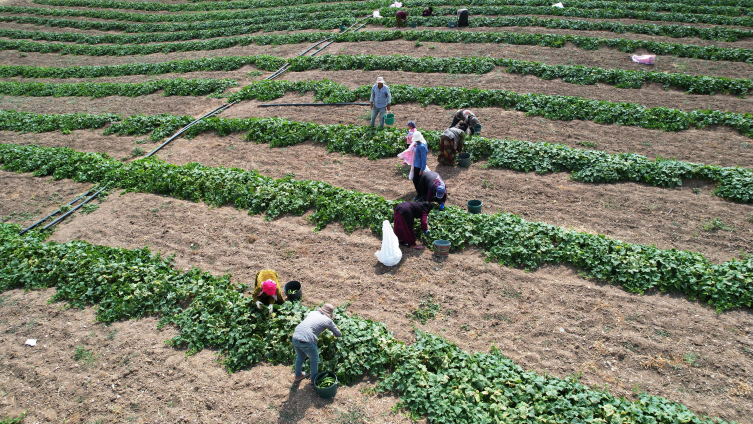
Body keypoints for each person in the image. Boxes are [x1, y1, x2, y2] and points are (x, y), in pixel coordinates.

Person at [292, 303, 342, 384]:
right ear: (330, 314)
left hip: (295, 336)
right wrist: (333, 334)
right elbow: (339, 334)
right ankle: (313, 379)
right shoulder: (328, 320)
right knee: (314, 359)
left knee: (300, 356)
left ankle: (298, 375)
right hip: (307, 341)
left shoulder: (312, 312)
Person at [411, 129, 428, 195]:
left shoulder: (421, 146)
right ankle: (422, 193)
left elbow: (424, 158)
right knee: (419, 180)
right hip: (417, 164)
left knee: (416, 180)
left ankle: (420, 194)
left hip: (418, 165)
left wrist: (422, 169)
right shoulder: (423, 142)